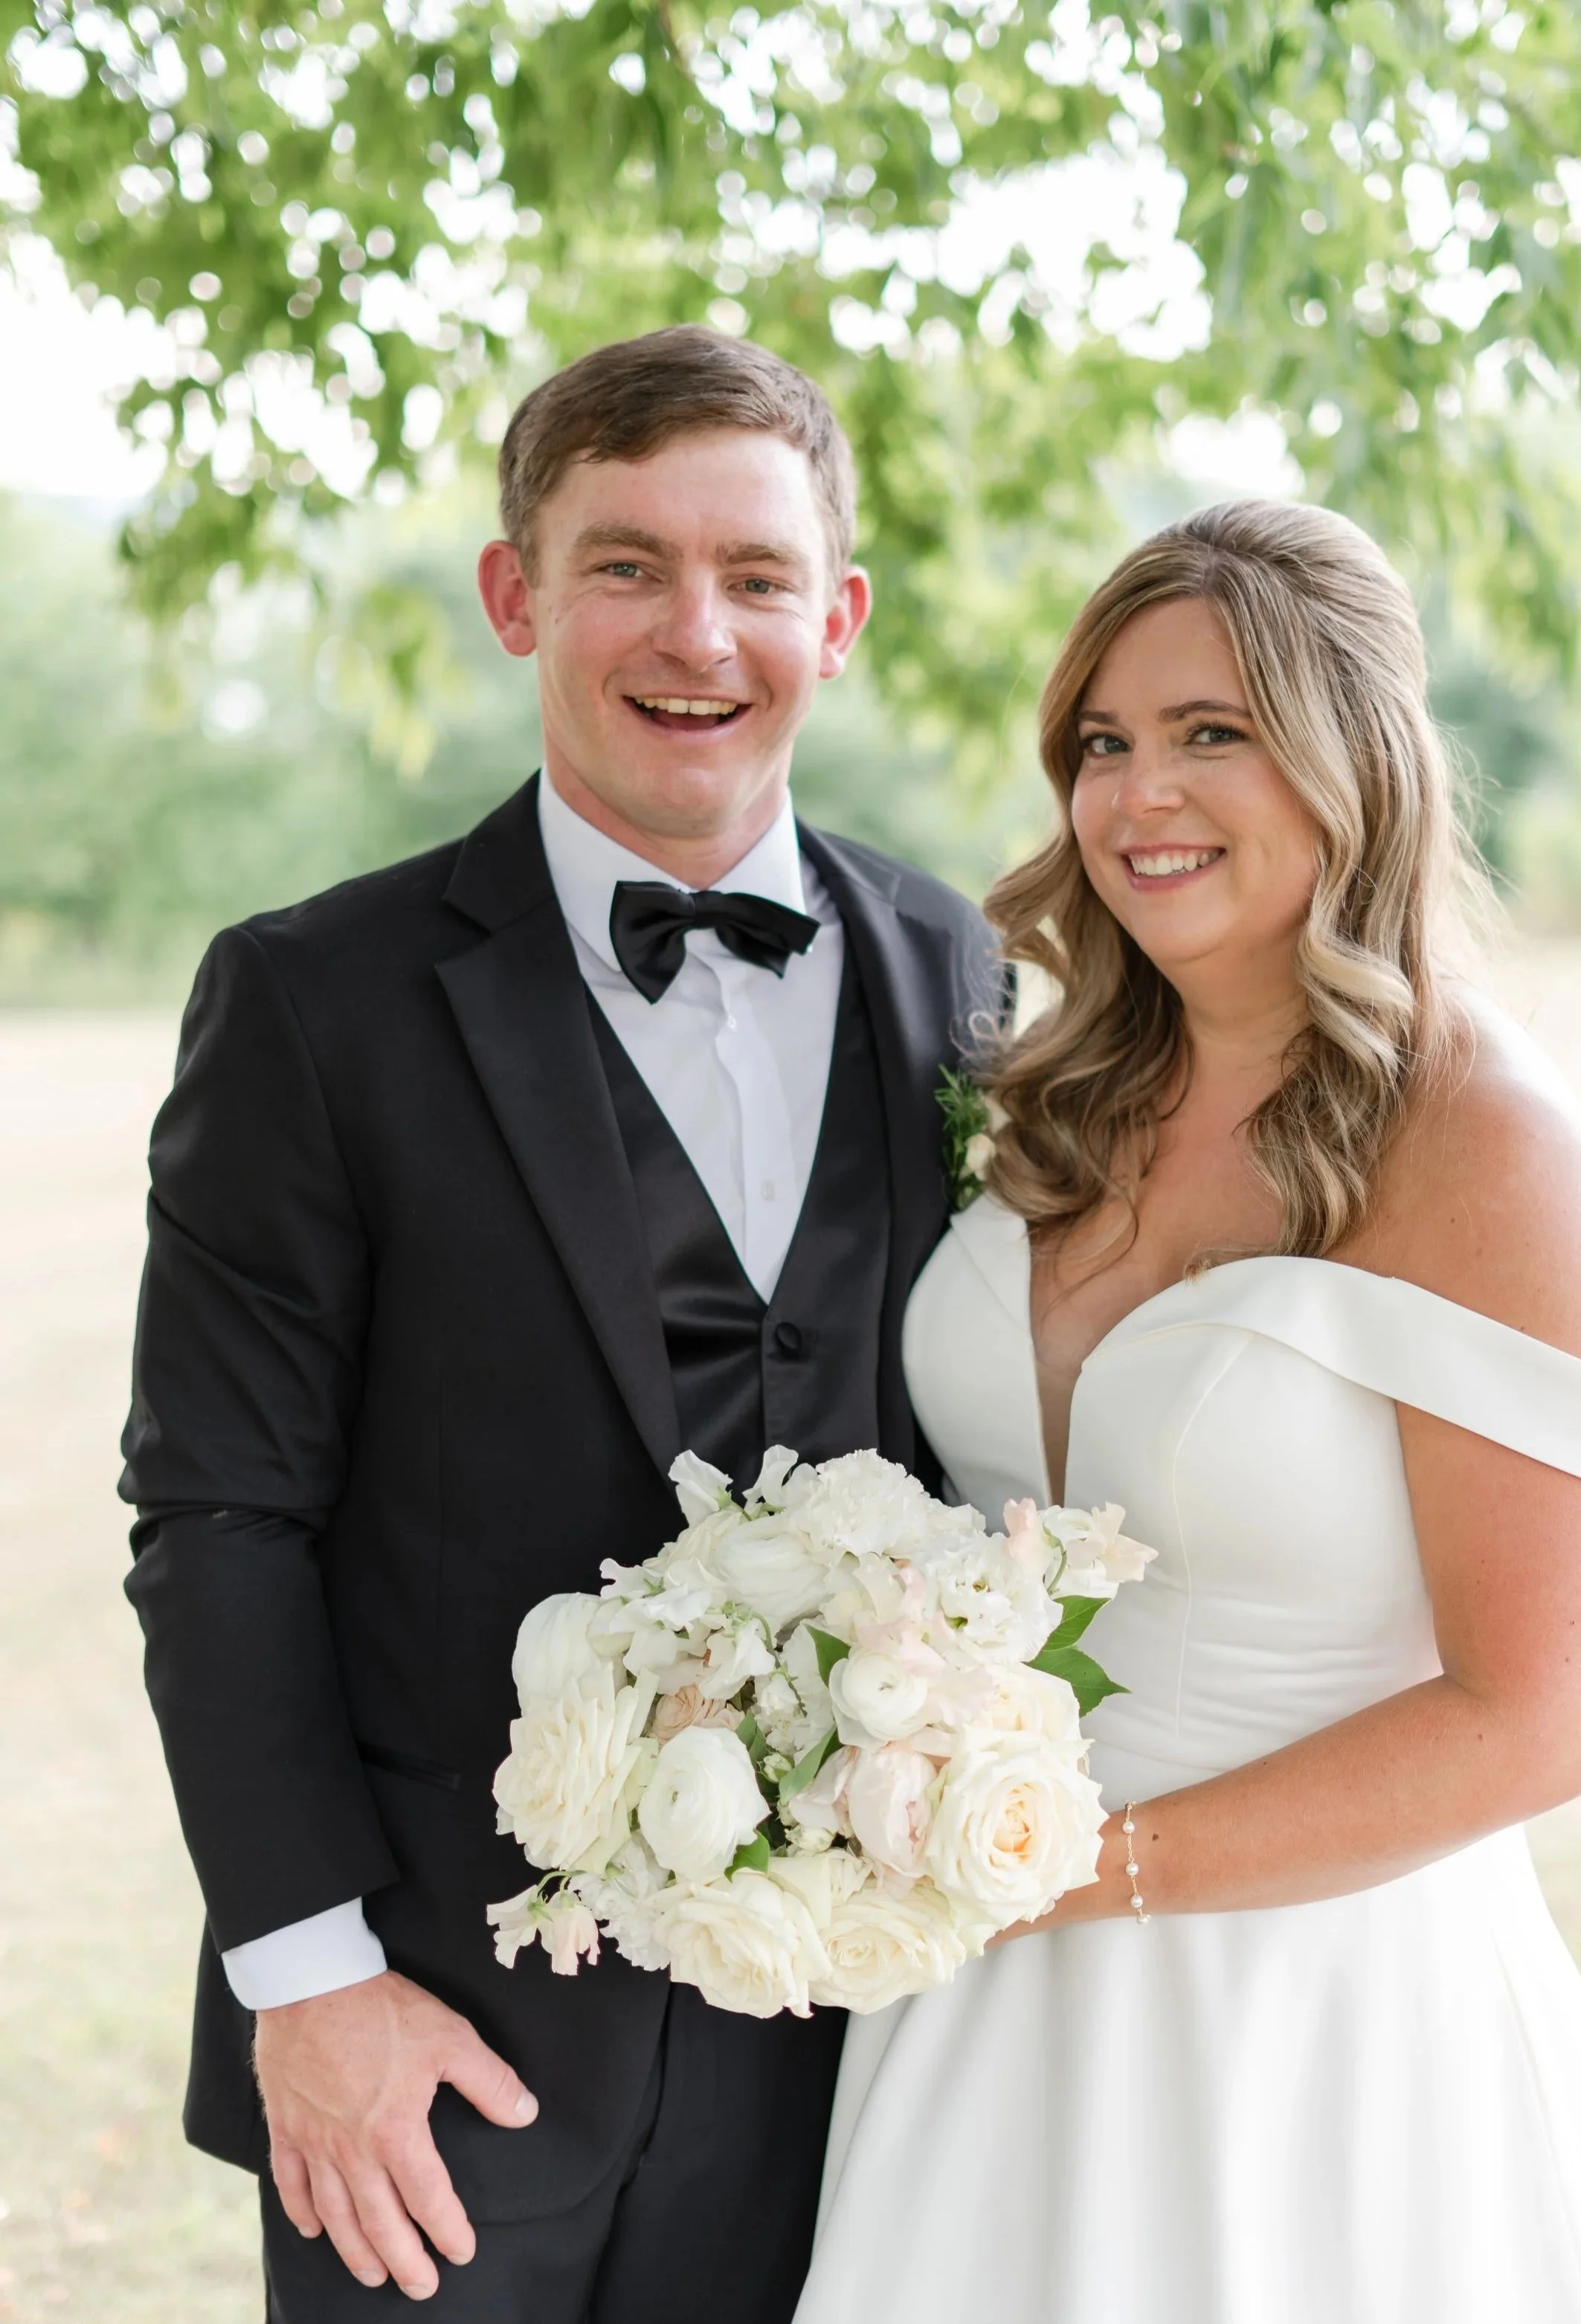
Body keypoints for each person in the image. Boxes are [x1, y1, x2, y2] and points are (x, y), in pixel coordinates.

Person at [120, 326, 996, 2320]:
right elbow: (216, 1519)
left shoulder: (955, 968)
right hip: (436, 2045)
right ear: (518, 592)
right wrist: (310, 1978)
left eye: (757, 574)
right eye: (627, 562)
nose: (698, 628)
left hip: (849, 2043)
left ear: (836, 618)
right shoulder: (311, 1001)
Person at [797, 499, 1581, 2323]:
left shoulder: (1481, 1144)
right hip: (978, 2009)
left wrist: (1080, 1870)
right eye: (1103, 743)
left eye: (1213, 731)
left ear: (1349, 751)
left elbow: (1536, 1715)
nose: (1139, 795)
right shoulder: (1046, 1090)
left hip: (1321, 2022)